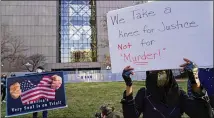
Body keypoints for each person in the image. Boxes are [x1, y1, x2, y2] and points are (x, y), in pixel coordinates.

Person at [121, 58, 214, 118]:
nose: (158, 75)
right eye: (153, 71)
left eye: (162, 71)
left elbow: (205, 114)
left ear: (168, 72)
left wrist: (195, 79)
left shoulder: (178, 95)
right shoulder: (144, 94)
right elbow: (130, 115)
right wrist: (128, 84)